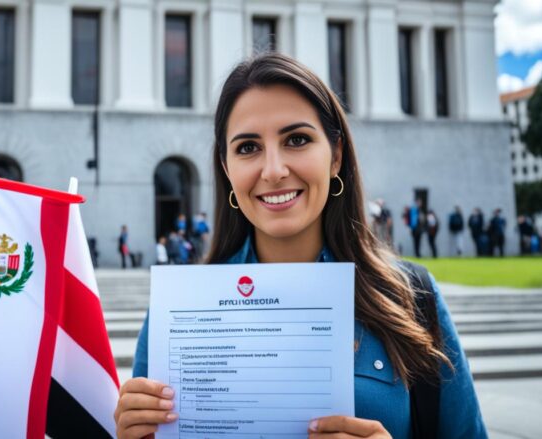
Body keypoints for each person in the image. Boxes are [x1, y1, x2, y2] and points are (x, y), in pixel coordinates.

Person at [115, 54, 486, 439]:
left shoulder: (412, 297)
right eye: (247, 148)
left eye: (297, 140)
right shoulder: (177, 310)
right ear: (227, 169)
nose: (273, 170)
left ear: (335, 156)